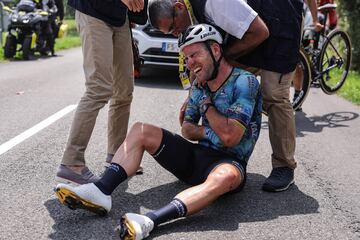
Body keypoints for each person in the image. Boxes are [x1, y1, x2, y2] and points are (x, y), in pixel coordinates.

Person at [55, 24, 262, 240]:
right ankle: (101, 191)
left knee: (225, 176)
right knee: (141, 130)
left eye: (194, 55)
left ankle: (149, 221)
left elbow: (231, 137)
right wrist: (211, 131)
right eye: (186, 58)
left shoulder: (245, 82)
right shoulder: (199, 84)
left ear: (215, 50)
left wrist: (207, 108)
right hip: (195, 158)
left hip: (228, 163)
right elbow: (187, 129)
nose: (190, 64)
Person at [148, 0, 303, 192]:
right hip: (248, 39)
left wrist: (220, 60)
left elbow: (260, 32)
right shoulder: (189, 14)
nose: (175, 34)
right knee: (209, 70)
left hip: (278, 31)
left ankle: (284, 166)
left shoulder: (215, 2)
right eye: (169, 33)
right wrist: (193, 97)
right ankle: (218, 145)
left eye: (172, 27)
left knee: (274, 96)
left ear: (179, 7)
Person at [55, 0, 144, 185]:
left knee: (124, 91)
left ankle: (117, 156)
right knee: (99, 88)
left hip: (120, 17)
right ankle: (72, 162)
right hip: (93, 10)